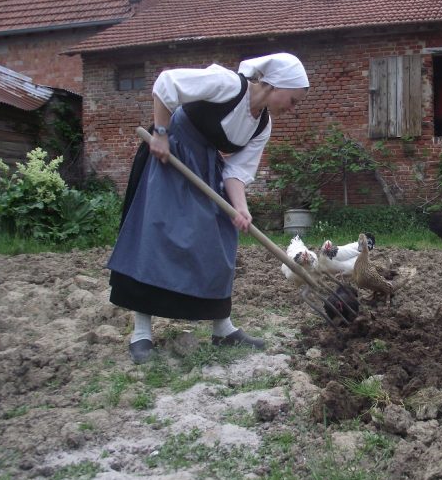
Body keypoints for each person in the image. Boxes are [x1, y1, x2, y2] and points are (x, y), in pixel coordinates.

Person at [107, 53, 309, 364]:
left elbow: (237, 171)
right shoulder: (227, 84)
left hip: (205, 167)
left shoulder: (262, 126)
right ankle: (141, 333)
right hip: (170, 155)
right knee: (156, 234)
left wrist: (240, 208)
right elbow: (167, 83)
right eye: (293, 100)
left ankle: (222, 329)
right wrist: (160, 133)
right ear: (275, 85)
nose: (292, 108)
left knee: (220, 238)